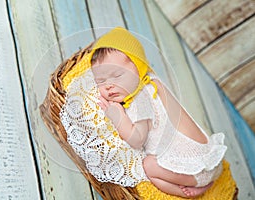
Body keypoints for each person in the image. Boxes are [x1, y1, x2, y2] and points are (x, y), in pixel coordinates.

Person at [90, 27, 227, 198]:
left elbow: (137, 140)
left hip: (194, 171)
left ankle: (186, 192)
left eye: (117, 75)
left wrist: (118, 117)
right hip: (211, 160)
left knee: (148, 165)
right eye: (100, 81)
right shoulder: (153, 83)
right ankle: (197, 184)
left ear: (139, 68)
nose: (108, 85)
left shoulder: (142, 99)